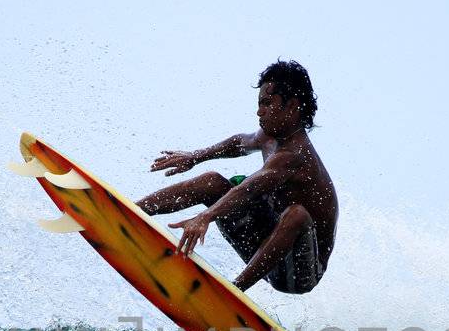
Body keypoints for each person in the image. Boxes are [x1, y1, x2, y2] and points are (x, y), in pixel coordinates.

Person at [136, 60, 338, 293]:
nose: (259, 111)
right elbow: (239, 142)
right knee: (212, 181)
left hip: (299, 272)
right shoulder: (269, 137)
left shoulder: (296, 155)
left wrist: (207, 216)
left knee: (297, 215)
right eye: (259, 103)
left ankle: (232, 292)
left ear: (292, 106)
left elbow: (249, 189)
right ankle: (131, 210)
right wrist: (196, 157)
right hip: (262, 245)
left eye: (267, 103)